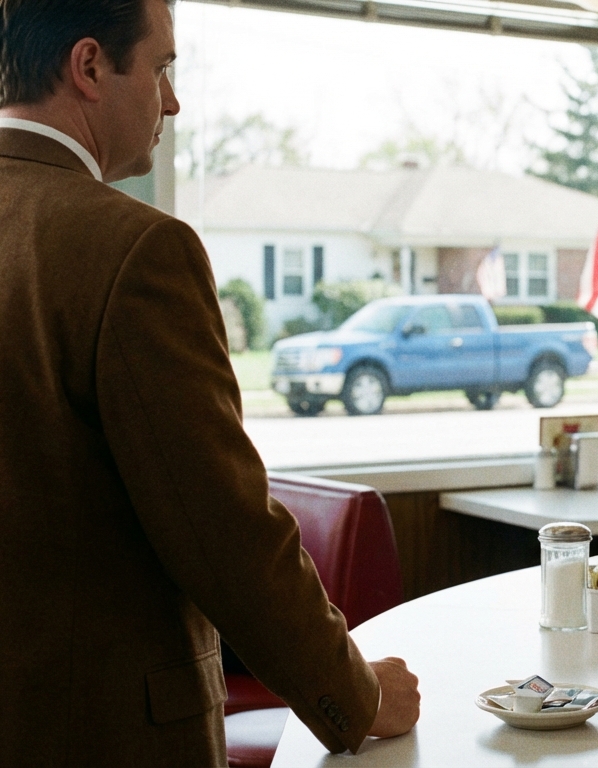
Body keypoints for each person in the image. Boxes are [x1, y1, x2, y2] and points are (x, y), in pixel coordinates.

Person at [0, 1, 421, 764]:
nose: (172, 101)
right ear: (89, 66)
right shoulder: (134, 251)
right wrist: (355, 694)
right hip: (99, 733)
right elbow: (222, 530)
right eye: (161, 68)